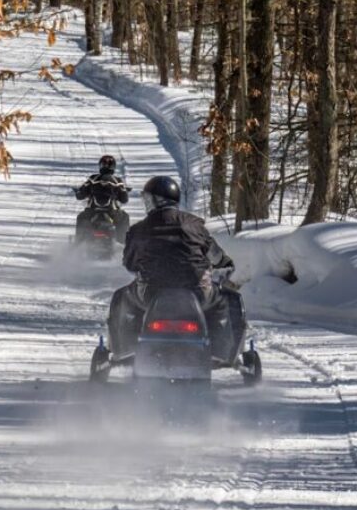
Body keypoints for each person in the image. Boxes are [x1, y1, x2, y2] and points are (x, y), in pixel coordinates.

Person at [108, 175, 245, 363]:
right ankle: (225, 352)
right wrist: (225, 263)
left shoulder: (138, 229)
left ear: (154, 200)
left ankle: (122, 350)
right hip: (198, 292)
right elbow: (215, 255)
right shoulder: (195, 225)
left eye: (147, 199)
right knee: (228, 300)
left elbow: (130, 264)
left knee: (122, 296)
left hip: (151, 294)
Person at [75, 154, 130, 242]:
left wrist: (78, 192)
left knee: (81, 217)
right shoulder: (117, 181)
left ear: (100, 166)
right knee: (125, 217)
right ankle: (123, 244)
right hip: (112, 212)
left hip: (92, 212)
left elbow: (80, 195)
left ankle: (77, 243)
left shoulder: (93, 179)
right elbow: (124, 199)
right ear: (113, 167)